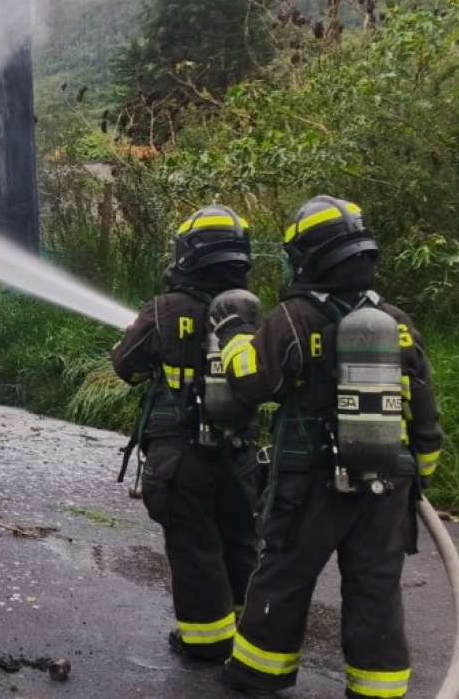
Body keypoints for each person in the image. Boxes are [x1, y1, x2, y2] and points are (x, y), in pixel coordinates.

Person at [213, 195, 443, 698]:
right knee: (376, 586)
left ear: (308, 257)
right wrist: (420, 467)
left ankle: (258, 673)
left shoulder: (296, 318)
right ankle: (378, 688)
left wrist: (232, 335)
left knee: (284, 575)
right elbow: (422, 402)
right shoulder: (395, 320)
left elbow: (252, 382)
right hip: (388, 481)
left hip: (311, 478)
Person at [112, 204, 261, 663]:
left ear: (189, 254)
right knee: (239, 537)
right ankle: (247, 630)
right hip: (239, 450)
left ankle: (205, 641)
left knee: (194, 545)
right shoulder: (249, 314)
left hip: (181, 454)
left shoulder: (164, 310)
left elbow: (125, 365)